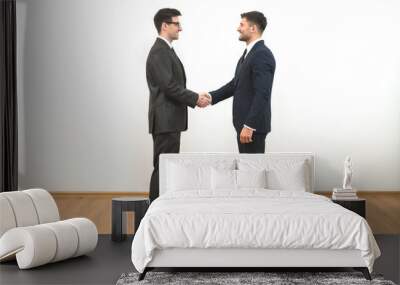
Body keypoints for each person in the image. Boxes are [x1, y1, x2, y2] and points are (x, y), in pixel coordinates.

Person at [147, 8, 209, 202]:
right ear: (165, 25)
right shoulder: (159, 51)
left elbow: (171, 85)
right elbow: (169, 86)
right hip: (166, 120)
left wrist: (194, 97)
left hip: (170, 120)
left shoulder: (166, 50)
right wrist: (195, 98)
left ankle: (161, 210)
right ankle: (155, 212)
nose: (180, 28)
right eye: (177, 24)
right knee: (163, 168)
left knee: (166, 167)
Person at [206, 11, 275, 153]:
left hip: (251, 129)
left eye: (242, 24)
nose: (238, 28)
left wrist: (250, 125)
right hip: (244, 126)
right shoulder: (249, 54)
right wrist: (211, 96)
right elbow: (235, 84)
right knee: (246, 171)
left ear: (253, 28)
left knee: (251, 172)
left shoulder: (261, 54)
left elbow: (263, 93)